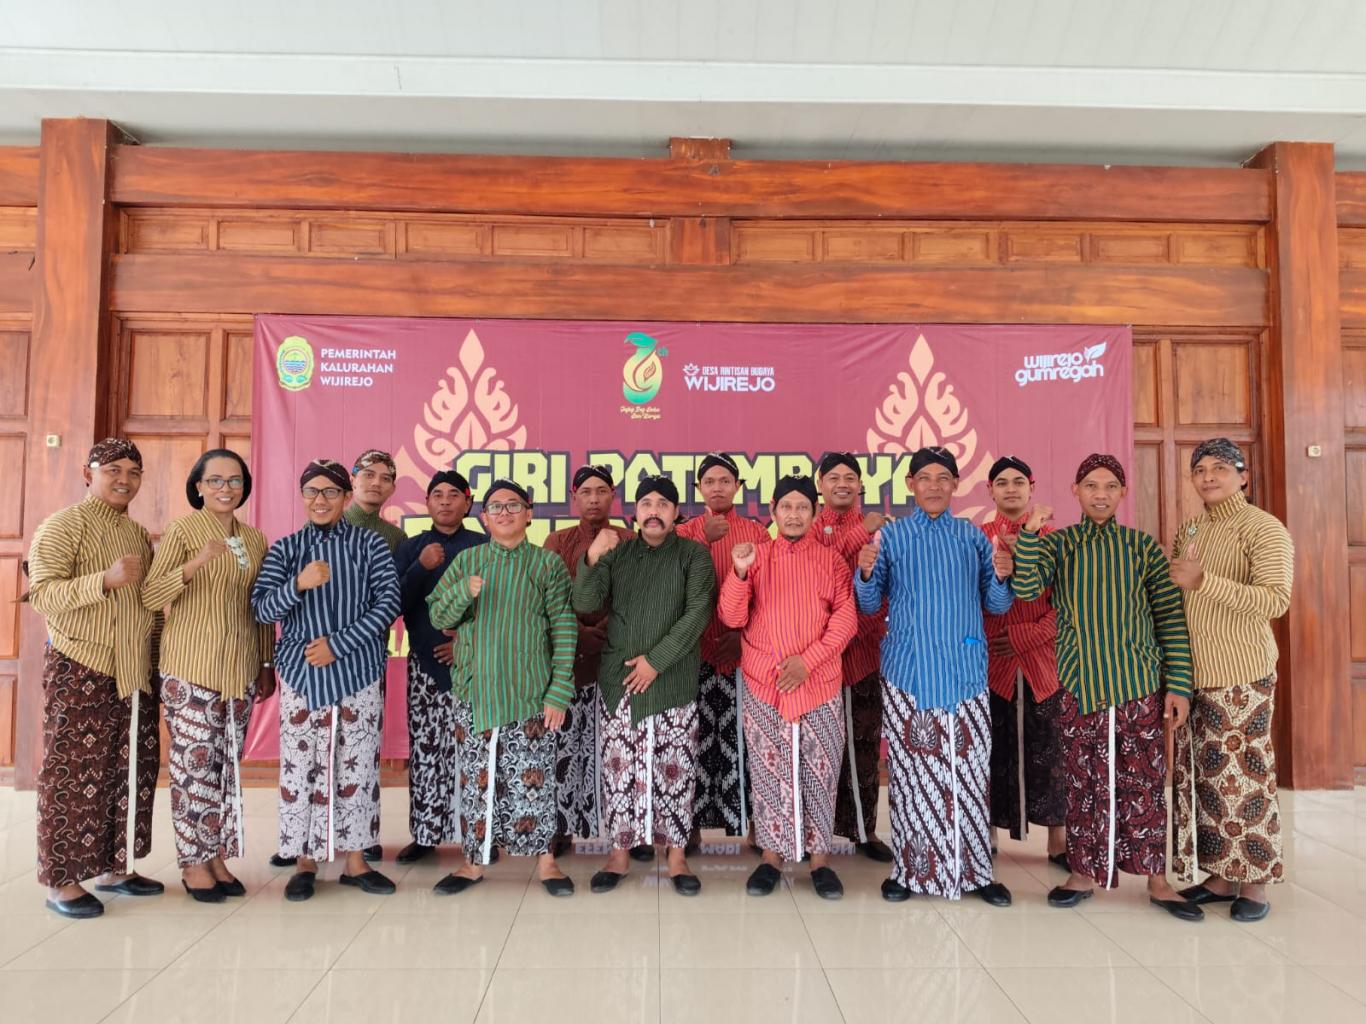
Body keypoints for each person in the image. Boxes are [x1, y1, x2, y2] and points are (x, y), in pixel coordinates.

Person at [1012, 453, 1200, 920]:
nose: (1101, 494)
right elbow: (1026, 588)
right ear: (1075, 491)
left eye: (1110, 486)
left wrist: (1178, 685)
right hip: (1080, 686)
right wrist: (1031, 533)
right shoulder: (1060, 545)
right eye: (1091, 486)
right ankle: (1082, 874)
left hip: (1137, 685)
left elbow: (1169, 619)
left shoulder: (1142, 548)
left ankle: (1157, 880)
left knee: (1145, 784)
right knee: (1082, 785)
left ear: (1123, 493)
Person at [854, 446, 1015, 907]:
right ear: (910, 485)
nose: (934, 486)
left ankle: (977, 872)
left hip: (965, 674)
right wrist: (865, 573)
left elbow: (996, 604)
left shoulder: (973, 538)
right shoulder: (893, 537)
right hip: (909, 673)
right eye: (924, 478)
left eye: (943, 478)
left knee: (969, 776)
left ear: (956, 485)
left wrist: (1002, 576)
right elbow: (869, 604)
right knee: (910, 778)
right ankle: (909, 870)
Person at [251, 458, 401, 903]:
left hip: (357, 670)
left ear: (346, 497)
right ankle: (305, 861)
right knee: (302, 768)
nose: (320, 500)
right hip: (303, 674)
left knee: (358, 765)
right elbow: (261, 609)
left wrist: (339, 644)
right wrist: (298, 584)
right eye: (312, 491)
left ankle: (356, 861)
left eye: (331, 492)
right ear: (302, 497)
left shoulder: (370, 545)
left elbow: (388, 602)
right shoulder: (286, 549)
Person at [27, 438, 162, 918]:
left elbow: (148, 604)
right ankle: (61, 882)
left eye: (133, 472)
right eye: (113, 470)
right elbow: (42, 594)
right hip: (81, 664)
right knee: (73, 772)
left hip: (133, 669)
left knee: (128, 770)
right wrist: (102, 580)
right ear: (88, 474)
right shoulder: (62, 526)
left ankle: (115, 868)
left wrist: (157, 660)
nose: (124, 479)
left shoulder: (137, 534)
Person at [425, 479, 578, 896]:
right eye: (496, 506)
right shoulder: (469, 561)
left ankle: (546, 862)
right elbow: (439, 616)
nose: (505, 512)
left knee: (535, 781)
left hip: (530, 693)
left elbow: (564, 628)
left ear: (529, 514)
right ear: (484, 518)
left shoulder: (546, 564)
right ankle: (473, 863)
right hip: (476, 694)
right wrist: (463, 591)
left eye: (513, 505)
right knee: (477, 782)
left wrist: (558, 691)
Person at [142, 449, 275, 902]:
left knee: (224, 769)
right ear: (198, 486)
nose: (225, 488)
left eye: (234, 480)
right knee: (193, 768)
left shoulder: (254, 539)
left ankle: (215, 855)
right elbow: (150, 594)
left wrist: (265, 663)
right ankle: (193, 863)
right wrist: (194, 563)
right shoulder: (182, 531)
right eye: (215, 480)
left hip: (239, 671)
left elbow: (260, 607)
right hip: (191, 669)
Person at [573, 475, 715, 896]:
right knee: (619, 772)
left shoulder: (694, 556)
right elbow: (585, 603)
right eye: (647, 504)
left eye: (663, 504)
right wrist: (592, 557)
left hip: (673, 682)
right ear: (635, 512)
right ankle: (619, 854)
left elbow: (697, 614)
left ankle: (676, 856)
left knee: (676, 769)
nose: (654, 511)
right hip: (620, 684)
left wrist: (656, 661)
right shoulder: (618, 553)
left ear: (676, 513)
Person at [1170, 439, 1293, 922]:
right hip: (1197, 676)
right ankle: (1222, 876)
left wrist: (1206, 582)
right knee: (1210, 780)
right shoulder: (1191, 529)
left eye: (1220, 468)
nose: (1208, 476)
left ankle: (1256, 884)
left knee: (1248, 779)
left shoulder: (1263, 528)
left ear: (1243, 475)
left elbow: (1275, 599)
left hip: (1243, 673)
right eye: (1199, 469)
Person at [717, 474, 857, 900]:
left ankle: (820, 860)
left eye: (802, 507)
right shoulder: (755, 557)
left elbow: (845, 621)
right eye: (786, 507)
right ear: (773, 511)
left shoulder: (831, 561)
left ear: (814, 513)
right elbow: (732, 617)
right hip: (766, 684)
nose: (794, 515)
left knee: (821, 771)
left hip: (818, 683)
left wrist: (806, 662)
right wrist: (739, 573)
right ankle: (771, 856)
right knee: (768, 772)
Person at [675, 452, 771, 854]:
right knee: (692, 743)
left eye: (725, 481)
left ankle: (756, 827)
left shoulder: (757, 532)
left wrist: (742, 637)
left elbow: (768, 594)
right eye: (709, 481)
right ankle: (690, 828)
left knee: (748, 743)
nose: (717, 487)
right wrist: (703, 538)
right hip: (692, 654)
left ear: (737, 487)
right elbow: (672, 583)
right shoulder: (683, 533)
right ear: (699, 488)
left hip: (741, 655)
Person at [391, 470, 487, 865]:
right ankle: (426, 836)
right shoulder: (412, 547)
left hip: (477, 668)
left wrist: (466, 643)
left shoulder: (483, 546)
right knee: (428, 753)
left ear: (468, 502)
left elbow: (499, 607)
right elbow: (392, 604)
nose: (445, 501)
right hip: (426, 668)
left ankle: (480, 837)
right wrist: (420, 567)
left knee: (476, 755)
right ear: (427, 503)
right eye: (437, 495)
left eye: (454, 495)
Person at [979, 456, 1068, 867]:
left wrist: (1025, 636)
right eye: (1002, 482)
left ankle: (1058, 841)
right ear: (990, 491)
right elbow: (969, 598)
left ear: (1032, 488)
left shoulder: (1054, 541)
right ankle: (988, 835)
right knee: (990, 751)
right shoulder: (980, 539)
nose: (1010, 489)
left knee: (1051, 751)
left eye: (1018, 481)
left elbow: (1069, 605)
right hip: (992, 663)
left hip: (1043, 664)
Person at [543, 465, 636, 853]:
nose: (594, 498)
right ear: (574, 498)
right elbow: (549, 597)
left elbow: (636, 596)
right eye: (586, 492)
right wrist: (581, 634)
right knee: (566, 749)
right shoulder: (558, 540)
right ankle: (561, 827)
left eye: (601, 491)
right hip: (572, 658)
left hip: (619, 661)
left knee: (621, 753)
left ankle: (629, 831)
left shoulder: (629, 539)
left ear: (613, 496)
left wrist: (607, 633)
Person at [813, 451, 893, 862]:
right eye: (834, 477)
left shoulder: (883, 530)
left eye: (850, 477)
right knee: (819, 751)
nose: (842, 483)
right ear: (820, 484)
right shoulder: (807, 526)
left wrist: (862, 629)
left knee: (864, 747)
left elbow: (887, 586)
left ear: (860, 485)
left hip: (864, 653)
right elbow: (818, 568)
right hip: (818, 659)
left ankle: (865, 831)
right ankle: (814, 834)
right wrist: (861, 530)